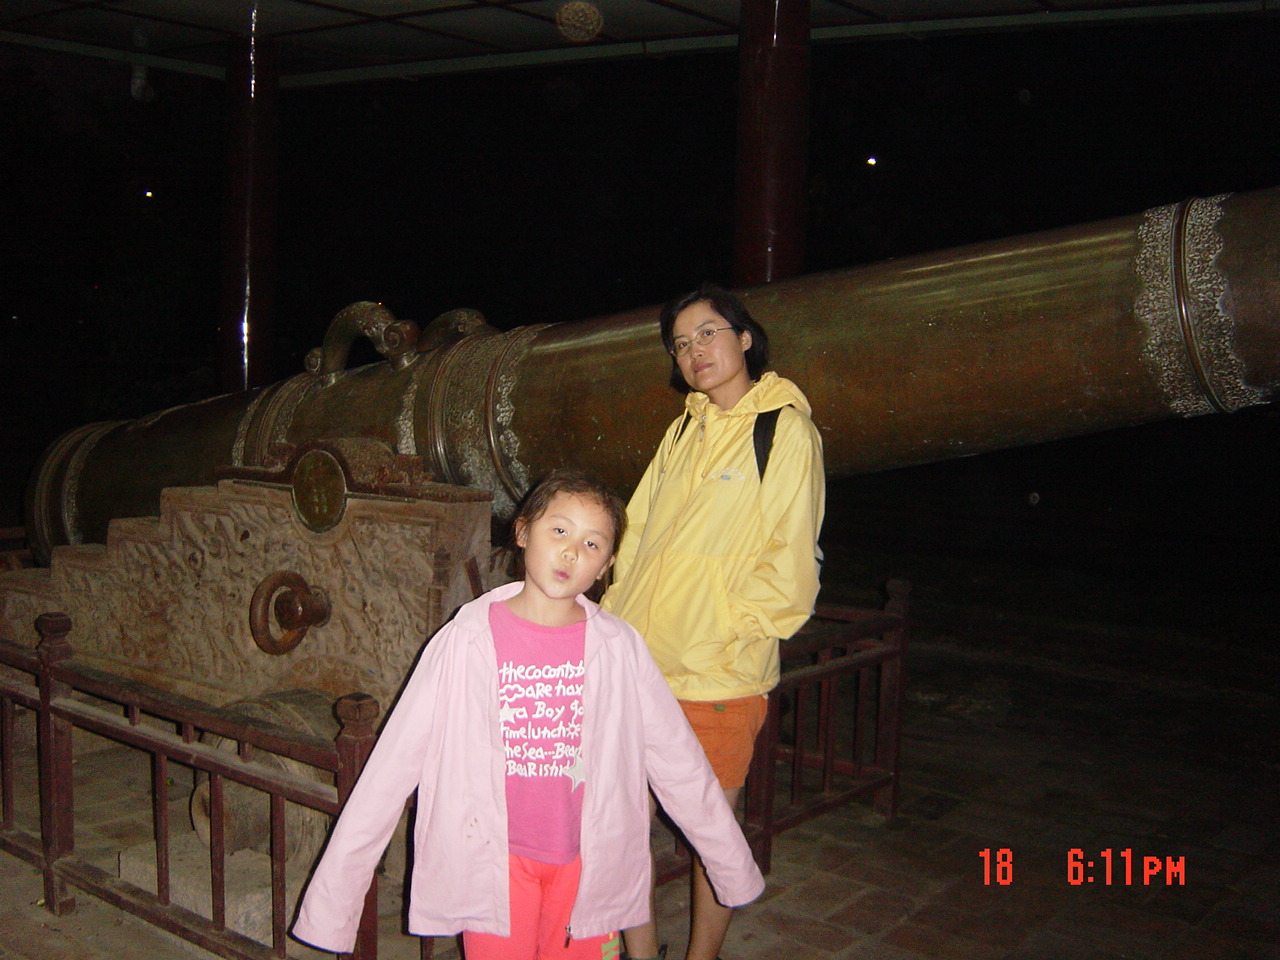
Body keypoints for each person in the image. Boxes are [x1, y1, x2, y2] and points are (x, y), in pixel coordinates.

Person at [292, 470, 765, 960]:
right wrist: (334, 902)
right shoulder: (467, 641)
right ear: (522, 532)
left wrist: (729, 863)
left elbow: (679, 761)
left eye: (592, 543)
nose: (571, 552)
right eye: (559, 530)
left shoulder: (619, 648)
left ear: (606, 565)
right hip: (495, 865)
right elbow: (391, 767)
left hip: (586, 868)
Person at [603, 284, 825, 960]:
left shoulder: (783, 430)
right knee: (622, 831)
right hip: (643, 669)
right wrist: (613, 617)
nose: (694, 351)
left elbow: (792, 559)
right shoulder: (682, 430)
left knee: (711, 839)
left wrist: (731, 629)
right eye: (680, 343)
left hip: (718, 675)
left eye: (707, 333)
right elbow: (635, 535)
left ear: (744, 338)